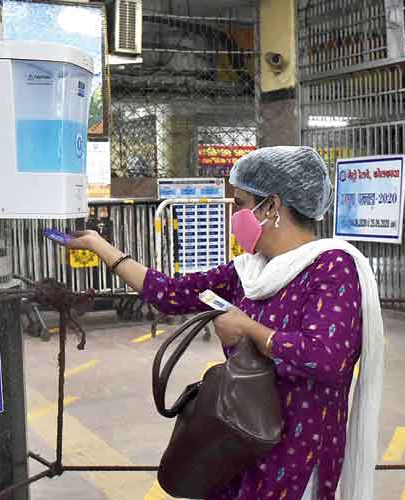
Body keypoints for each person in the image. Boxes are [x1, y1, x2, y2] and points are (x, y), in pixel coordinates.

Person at [65, 146, 384, 500]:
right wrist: (101, 248)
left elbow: (326, 359)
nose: (235, 216)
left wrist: (249, 329)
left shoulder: (331, 267)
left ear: (272, 206)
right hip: (238, 446)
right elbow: (170, 292)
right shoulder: (248, 270)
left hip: (297, 453)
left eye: (240, 204)